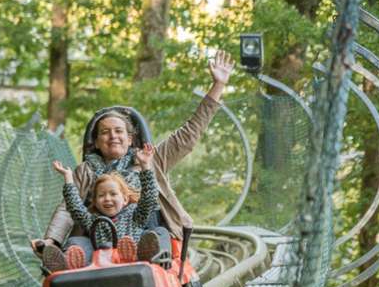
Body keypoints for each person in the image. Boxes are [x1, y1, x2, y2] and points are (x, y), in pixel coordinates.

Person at [32, 50, 233, 263]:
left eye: (119, 131)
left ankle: (147, 257)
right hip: (98, 237)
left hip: (143, 230)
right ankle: (64, 264)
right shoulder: (86, 170)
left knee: (157, 236)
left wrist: (217, 86)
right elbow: (67, 207)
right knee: (75, 246)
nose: (113, 136)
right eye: (105, 132)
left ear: (130, 139)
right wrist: (51, 241)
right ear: (97, 142)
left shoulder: (150, 158)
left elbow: (188, 135)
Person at [45, 143, 168, 270]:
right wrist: (68, 178)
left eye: (113, 194)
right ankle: (66, 263)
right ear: (96, 202)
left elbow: (149, 197)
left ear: (125, 199)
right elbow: (76, 208)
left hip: (135, 255)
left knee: (160, 232)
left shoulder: (136, 215)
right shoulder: (94, 221)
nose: (107, 198)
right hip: (101, 260)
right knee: (75, 242)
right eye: (101, 196)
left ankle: (152, 256)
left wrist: (145, 165)